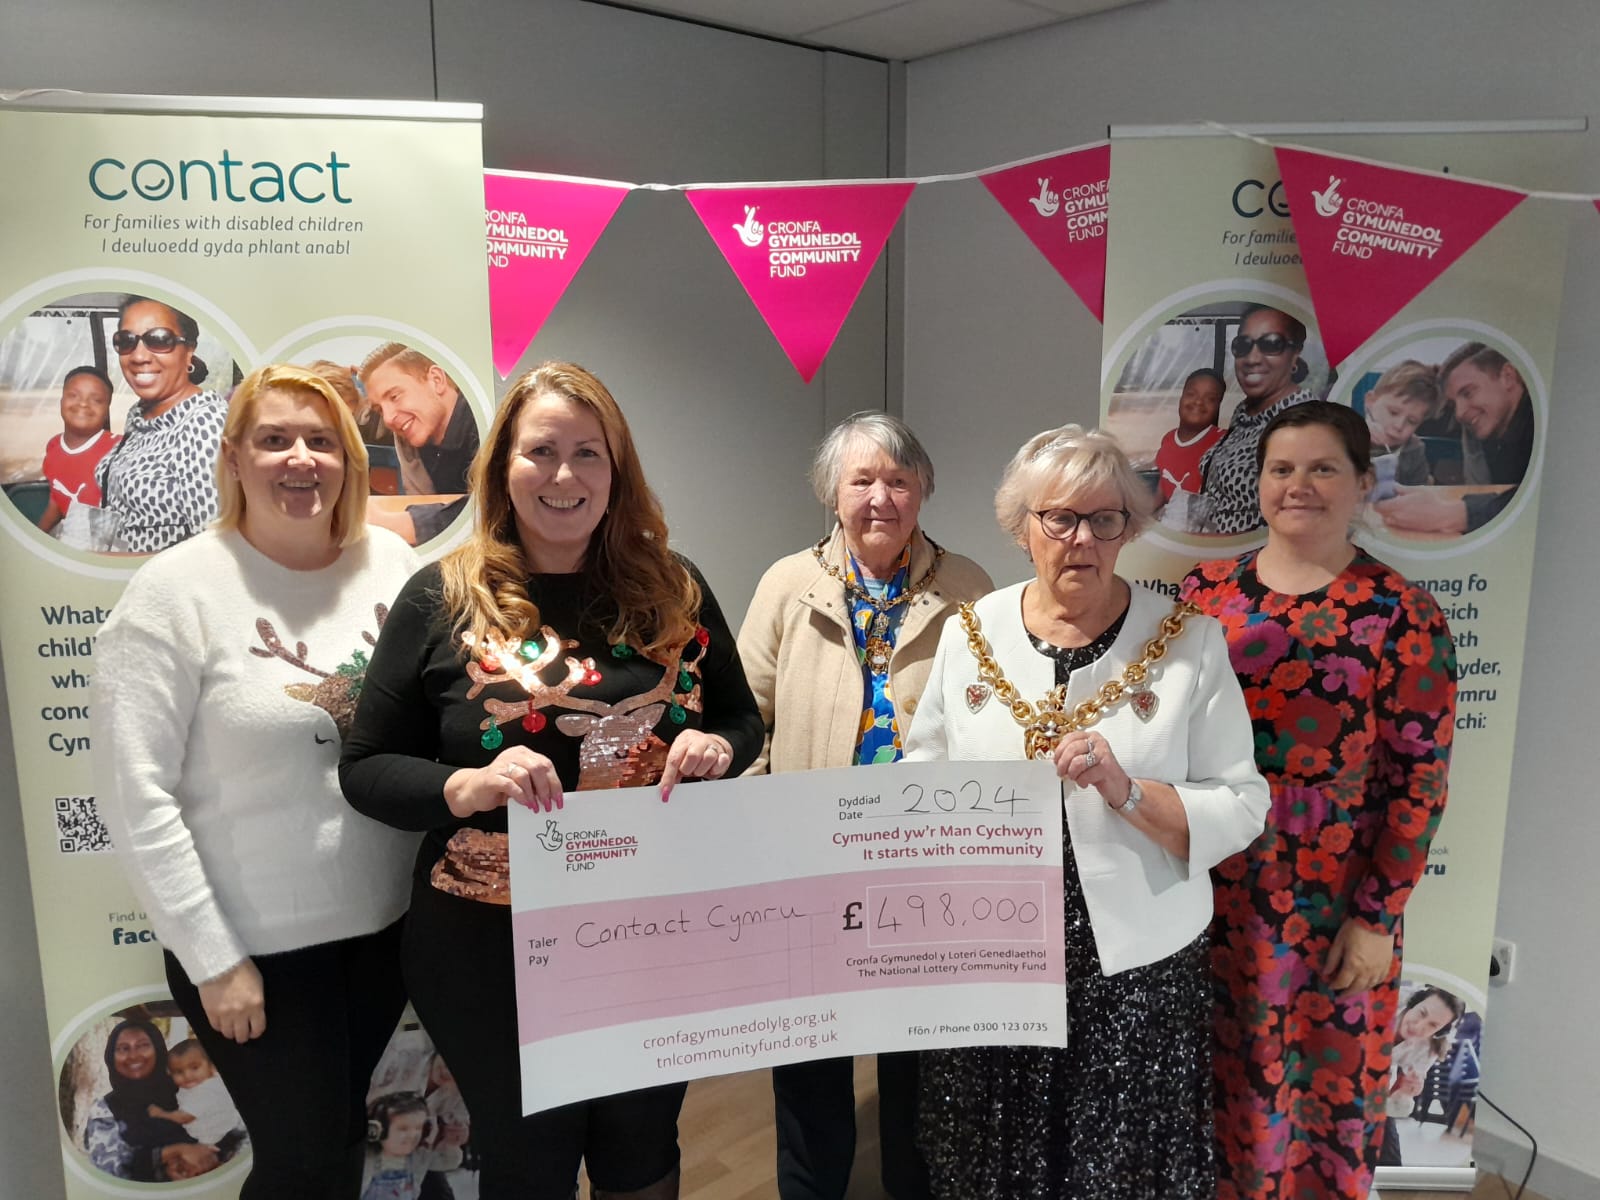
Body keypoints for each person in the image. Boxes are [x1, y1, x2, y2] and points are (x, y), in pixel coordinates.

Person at [340, 360, 763, 1200]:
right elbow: (366, 769)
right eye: (541, 451)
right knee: (530, 1151)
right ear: (502, 466)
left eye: (588, 454)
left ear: (618, 471)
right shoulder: (440, 598)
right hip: (487, 939)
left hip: (656, 923)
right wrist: (466, 784)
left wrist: (718, 747)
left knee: (641, 1141)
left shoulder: (675, 588)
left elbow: (742, 719)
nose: (564, 476)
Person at [904, 423, 1269, 1200]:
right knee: (987, 1157)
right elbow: (922, 773)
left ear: (1129, 530)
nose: (1082, 539)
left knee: (1113, 1167)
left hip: (1135, 958)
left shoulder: (1189, 642)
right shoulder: (970, 635)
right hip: (993, 951)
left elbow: (1241, 804)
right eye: (1059, 518)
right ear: (1021, 526)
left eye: (1106, 520)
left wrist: (1128, 790)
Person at [91, 363, 423, 1198]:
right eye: (273, 440)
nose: (299, 460)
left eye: (321, 441)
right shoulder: (173, 593)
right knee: (302, 1165)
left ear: (350, 458)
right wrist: (212, 958)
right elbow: (137, 796)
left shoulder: (391, 563)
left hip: (385, 933)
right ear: (234, 458)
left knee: (340, 1141)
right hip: (259, 953)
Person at [1181, 401, 1459, 1200]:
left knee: (1317, 1093)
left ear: (1364, 483)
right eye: (1282, 469)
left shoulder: (1401, 612)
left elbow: (1421, 778)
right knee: (1209, 1078)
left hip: (1333, 899)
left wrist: (1377, 916)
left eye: (1323, 468)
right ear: (1259, 483)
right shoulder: (1204, 594)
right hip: (1208, 886)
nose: (1298, 485)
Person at [738, 412, 992, 1200]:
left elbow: (992, 718)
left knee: (916, 1060)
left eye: (899, 480)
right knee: (811, 1059)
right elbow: (749, 718)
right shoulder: (789, 583)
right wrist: (758, 830)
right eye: (862, 480)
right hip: (809, 859)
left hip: (921, 864)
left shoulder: (969, 587)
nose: (881, 497)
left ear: (923, 491)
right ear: (831, 492)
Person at [95, 295, 229, 553]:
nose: (138, 356)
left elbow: (214, 551)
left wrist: (108, 563)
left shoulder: (205, 423)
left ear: (189, 351)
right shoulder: (140, 415)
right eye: (125, 341)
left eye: (159, 339)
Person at [1376, 342, 1533, 535]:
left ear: (1508, 377)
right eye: (1452, 403)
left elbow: (1543, 499)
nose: (1459, 414)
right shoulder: (1489, 432)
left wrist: (1456, 514)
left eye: (1468, 393)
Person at [1198, 305, 1318, 534]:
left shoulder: (1304, 422)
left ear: (1295, 355)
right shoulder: (1244, 413)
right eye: (1242, 346)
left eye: (1271, 344)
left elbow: (1293, 524)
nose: (1252, 358)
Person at [358, 342, 479, 544]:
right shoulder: (411, 439)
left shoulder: (485, 424)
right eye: (380, 409)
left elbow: (494, 507)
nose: (387, 419)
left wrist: (402, 524)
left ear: (437, 380)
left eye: (394, 397)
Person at [83, 1018, 221, 1182]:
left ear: (158, 1049)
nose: (133, 1055)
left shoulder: (189, 1089)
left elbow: (237, 1132)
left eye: (143, 1046)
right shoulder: (105, 1109)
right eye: (123, 1049)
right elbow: (108, 1170)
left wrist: (212, 1161)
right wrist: (172, 1153)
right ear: (111, 1057)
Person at [1379, 986, 1466, 1165]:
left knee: (1391, 1161)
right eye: (1421, 1013)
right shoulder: (1385, 1003)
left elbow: (1392, 1103)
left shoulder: (1426, 1049)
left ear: (1441, 1031)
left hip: (1376, 1095)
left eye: (1433, 1025)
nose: (1419, 1027)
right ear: (1412, 1004)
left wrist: (1404, 1091)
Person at [37, 365, 119, 534]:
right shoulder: (53, 447)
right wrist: (36, 535)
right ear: (61, 402)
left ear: (106, 410)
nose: (83, 403)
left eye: (96, 400)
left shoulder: (119, 448)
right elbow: (58, 499)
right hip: (73, 536)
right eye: (73, 395)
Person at [361, 1092, 464, 1200]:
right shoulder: (367, 1158)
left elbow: (450, 1160)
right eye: (403, 1128)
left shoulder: (420, 1156)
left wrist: (449, 1141)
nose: (412, 1135)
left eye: (418, 1128)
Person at [149, 1039, 246, 1148]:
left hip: (218, 1139)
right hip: (227, 1129)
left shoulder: (204, 1091)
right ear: (169, 1072)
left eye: (194, 1067)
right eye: (179, 1071)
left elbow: (184, 1118)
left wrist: (160, 1113)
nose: (187, 1075)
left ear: (211, 1065)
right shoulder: (211, 1078)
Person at [1361, 360, 1439, 493]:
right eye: (1393, 412)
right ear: (1371, 401)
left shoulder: (1414, 449)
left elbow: (1418, 494)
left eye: (1412, 421)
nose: (1399, 426)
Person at [1154, 367, 1226, 501]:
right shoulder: (1168, 439)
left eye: (1210, 399)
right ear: (1181, 397)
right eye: (1191, 394)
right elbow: (1163, 489)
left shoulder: (1225, 441)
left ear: (1218, 406)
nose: (1198, 402)